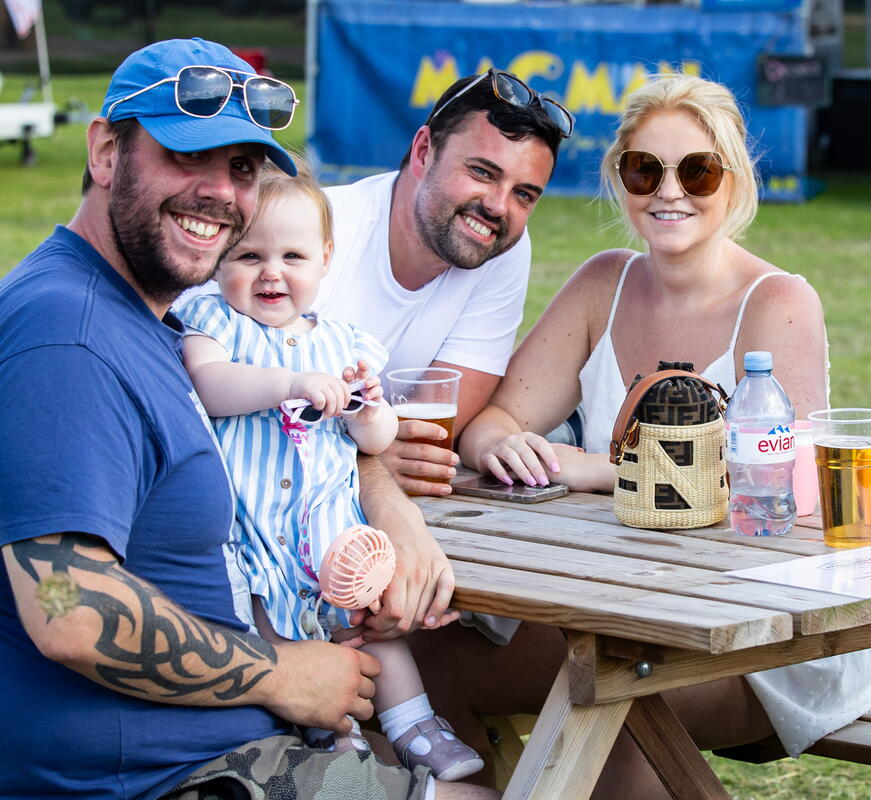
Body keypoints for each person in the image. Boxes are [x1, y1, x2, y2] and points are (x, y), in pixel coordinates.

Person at [0, 38, 491, 800]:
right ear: (104, 152)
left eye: (239, 168)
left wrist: (387, 502)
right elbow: (68, 609)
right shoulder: (72, 334)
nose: (220, 194)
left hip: (228, 745)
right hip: (171, 777)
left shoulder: (152, 318)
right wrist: (279, 674)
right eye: (186, 157)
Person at [433, 74, 871, 796]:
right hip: (614, 604)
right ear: (621, 180)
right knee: (425, 665)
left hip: (758, 631)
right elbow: (496, 418)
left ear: (733, 181)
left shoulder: (778, 301)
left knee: (615, 693)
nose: (668, 191)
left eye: (696, 170)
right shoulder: (601, 284)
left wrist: (602, 472)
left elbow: (783, 492)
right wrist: (499, 445)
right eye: (645, 170)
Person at [176, 162, 484, 780]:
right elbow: (211, 387)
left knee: (375, 633)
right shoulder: (214, 324)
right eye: (247, 255)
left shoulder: (346, 344)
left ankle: (415, 726)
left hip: (331, 534)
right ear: (220, 262)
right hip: (254, 535)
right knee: (285, 642)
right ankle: (335, 735)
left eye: (292, 256)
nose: (271, 272)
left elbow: (376, 437)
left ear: (325, 260)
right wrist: (288, 383)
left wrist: (370, 407)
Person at [314, 70, 570, 497]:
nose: (497, 206)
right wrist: (360, 465)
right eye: (482, 172)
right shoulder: (314, 231)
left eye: (524, 194)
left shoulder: (502, 249)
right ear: (422, 152)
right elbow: (226, 412)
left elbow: (428, 442)